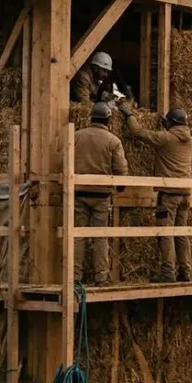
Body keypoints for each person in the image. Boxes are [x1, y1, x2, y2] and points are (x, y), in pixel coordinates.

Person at [120, 103, 192, 282]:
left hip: (168, 194)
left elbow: (138, 133)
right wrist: (167, 125)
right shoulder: (189, 139)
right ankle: (186, 270)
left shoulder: (165, 138)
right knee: (181, 232)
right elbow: (172, 135)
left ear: (171, 123)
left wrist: (128, 114)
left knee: (165, 231)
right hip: (185, 193)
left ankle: (168, 271)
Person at [73, 102, 129, 285]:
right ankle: (101, 276)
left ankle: (74, 276)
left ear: (91, 117)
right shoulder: (113, 141)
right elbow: (121, 169)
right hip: (101, 195)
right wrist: (120, 187)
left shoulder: (76, 137)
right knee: (100, 236)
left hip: (79, 192)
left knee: (78, 235)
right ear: (108, 120)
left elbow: (62, 160)